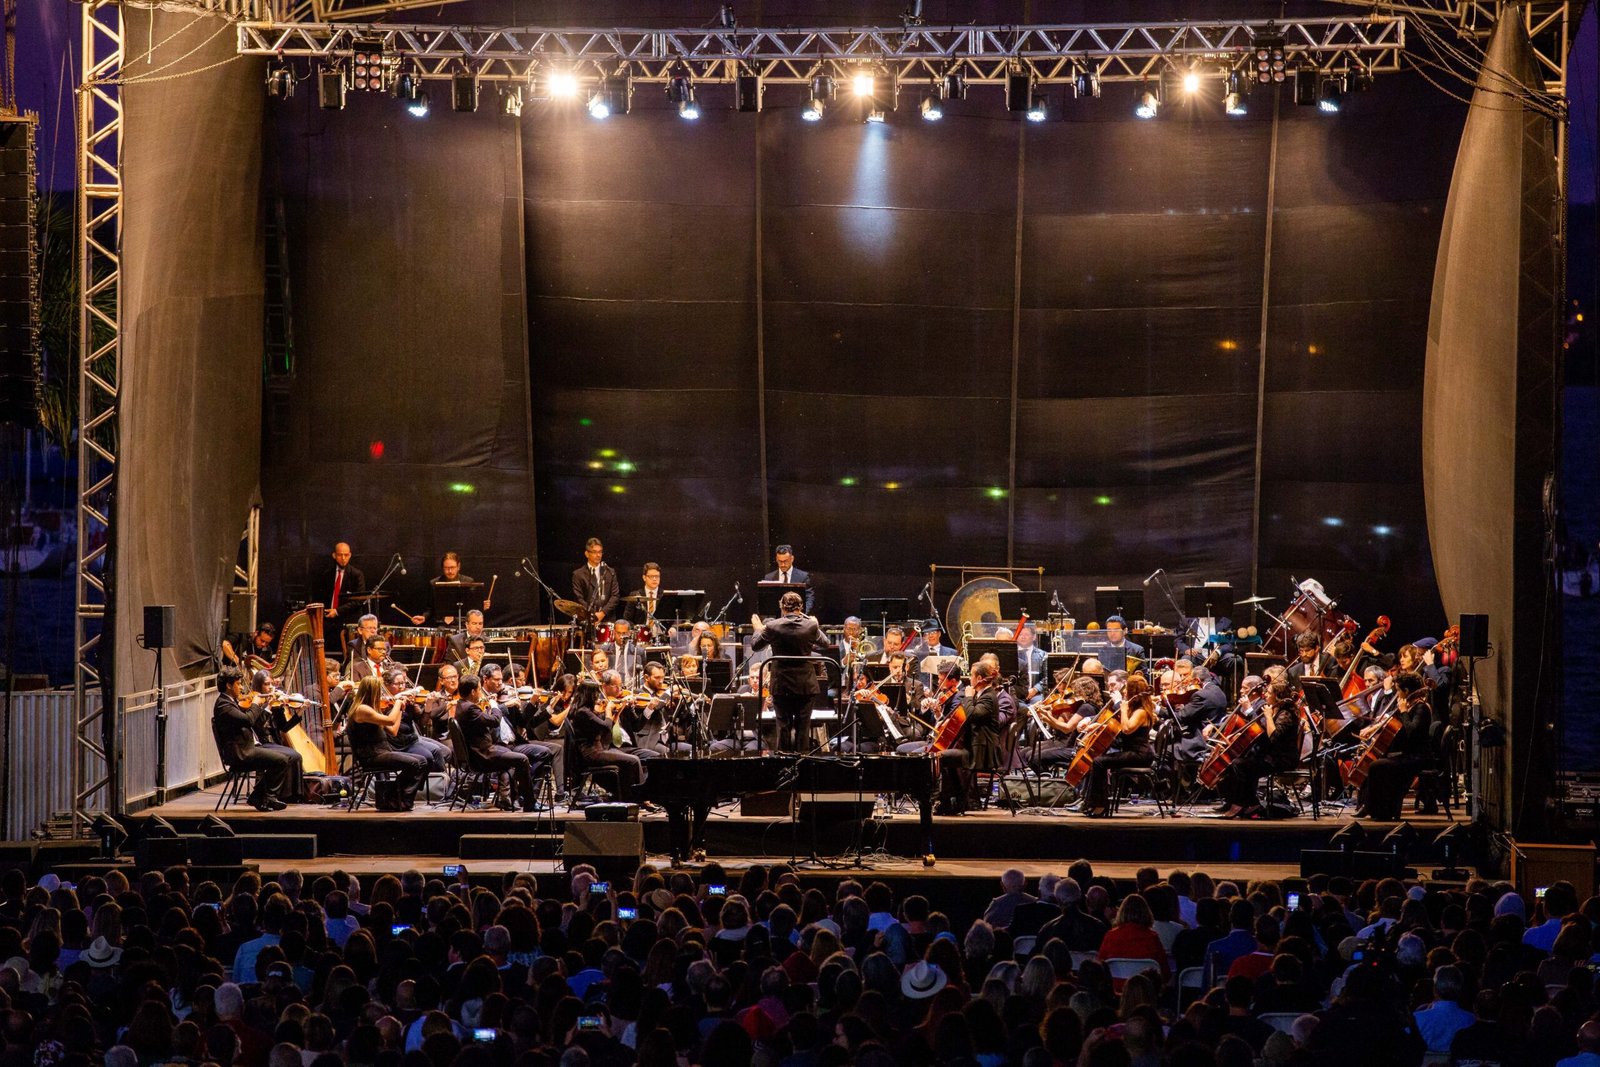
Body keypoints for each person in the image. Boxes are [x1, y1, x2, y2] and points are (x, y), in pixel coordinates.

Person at [211, 666, 303, 811]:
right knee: (281, 760)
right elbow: (249, 720)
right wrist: (256, 703)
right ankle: (265, 797)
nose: (242, 688)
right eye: (238, 684)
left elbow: (253, 722)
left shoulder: (229, 701)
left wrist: (267, 704)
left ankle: (261, 797)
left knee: (286, 758)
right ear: (228, 685)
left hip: (247, 748)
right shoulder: (224, 705)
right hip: (241, 753)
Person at [750, 591, 830, 753]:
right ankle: (803, 763)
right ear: (801, 607)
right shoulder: (811, 625)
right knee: (803, 729)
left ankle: (783, 762)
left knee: (783, 727)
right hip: (805, 685)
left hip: (782, 684)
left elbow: (755, 646)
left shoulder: (772, 626)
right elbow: (826, 643)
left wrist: (758, 629)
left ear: (782, 607)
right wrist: (816, 624)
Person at [458, 673, 547, 812]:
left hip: (480, 752)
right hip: (482, 755)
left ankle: (514, 799)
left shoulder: (461, 705)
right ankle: (529, 803)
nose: (480, 692)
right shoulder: (470, 708)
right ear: (473, 691)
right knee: (522, 759)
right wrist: (495, 706)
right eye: (479, 689)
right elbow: (494, 721)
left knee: (513, 755)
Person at [1216, 678, 1303, 819]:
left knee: (1240, 765)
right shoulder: (1275, 709)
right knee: (1238, 762)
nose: (1265, 694)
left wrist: (1268, 716)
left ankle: (1245, 804)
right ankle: (1245, 803)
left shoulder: (1286, 714)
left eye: (1268, 692)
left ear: (1277, 696)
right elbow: (1262, 732)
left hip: (1281, 759)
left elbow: (1273, 736)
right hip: (1270, 755)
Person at [1355, 671, 1431, 820]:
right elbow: (1391, 723)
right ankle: (1378, 809)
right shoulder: (1411, 705)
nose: (1397, 694)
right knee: (1377, 764)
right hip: (1407, 754)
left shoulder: (1421, 708)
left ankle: (1376, 809)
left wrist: (1404, 712)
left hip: (1418, 757)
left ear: (1406, 691)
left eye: (1398, 690)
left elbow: (1412, 732)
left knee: (1377, 765)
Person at [1080, 673, 1157, 818]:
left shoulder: (1141, 712)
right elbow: (1120, 727)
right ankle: (1094, 803)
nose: (1124, 691)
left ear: (1133, 692)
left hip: (1140, 755)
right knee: (1098, 760)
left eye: (1127, 688)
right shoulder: (1134, 709)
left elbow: (1127, 729)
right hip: (1132, 752)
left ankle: (1099, 806)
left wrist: (1123, 708)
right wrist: (1098, 726)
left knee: (1099, 762)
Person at [346, 676, 426, 810]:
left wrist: (400, 709)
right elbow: (390, 720)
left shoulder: (372, 709)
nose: (382, 694)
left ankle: (397, 798)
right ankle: (395, 799)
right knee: (415, 763)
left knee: (422, 761)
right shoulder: (362, 709)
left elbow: (393, 730)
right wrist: (398, 703)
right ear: (373, 691)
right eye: (380, 690)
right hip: (372, 756)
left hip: (382, 753)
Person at [573, 672, 647, 802]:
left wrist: (619, 709)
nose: (598, 697)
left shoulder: (587, 711)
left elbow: (609, 726)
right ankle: (641, 797)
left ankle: (628, 795)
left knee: (631, 761)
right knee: (634, 760)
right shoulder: (583, 713)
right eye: (595, 694)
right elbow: (605, 727)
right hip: (593, 753)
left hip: (598, 749)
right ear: (589, 695)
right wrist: (608, 711)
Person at [571, 538, 620, 637]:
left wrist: (602, 613)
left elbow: (615, 596)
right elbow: (578, 598)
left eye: (600, 552)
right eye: (594, 552)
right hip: (588, 621)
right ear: (587, 554)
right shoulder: (578, 574)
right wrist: (593, 615)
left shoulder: (610, 572)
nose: (598, 555)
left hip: (607, 620)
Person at [428, 552, 486, 626]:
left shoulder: (468, 582)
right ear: (442, 568)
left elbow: (472, 608)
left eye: (452, 567)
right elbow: (430, 608)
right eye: (446, 568)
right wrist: (424, 617)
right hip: (440, 624)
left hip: (462, 624)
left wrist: (481, 606)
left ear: (458, 566)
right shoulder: (434, 583)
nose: (450, 571)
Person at [313, 542, 365, 621]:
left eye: (346, 555)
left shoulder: (357, 575)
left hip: (348, 619)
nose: (343, 558)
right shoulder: (327, 574)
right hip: (328, 618)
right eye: (340, 555)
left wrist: (337, 611)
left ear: (350, 555)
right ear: (334, 555)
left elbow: (359, 600)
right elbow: (320, 597)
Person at [763, 544, 814, 614]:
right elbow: (766, 601)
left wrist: (801, 613)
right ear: (776, 559)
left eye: (785, 561)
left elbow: (809, 598)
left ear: (792, 559)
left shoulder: (803, 577)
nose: (783, 565)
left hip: (797, 617)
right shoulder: (769, 578)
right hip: (776, 618)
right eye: (780, 561)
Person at [623, 562, 667, 634]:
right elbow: (627, 619)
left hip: (660, 634)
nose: (655, 579)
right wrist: (636, 629)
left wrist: (673, 628)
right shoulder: (635, 595)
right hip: (641, 634)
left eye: (657, 576)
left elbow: (674, 616)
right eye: (651, 576)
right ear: (644, 577)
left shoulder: (665, 595)